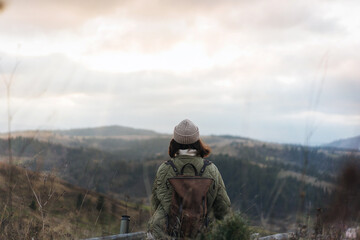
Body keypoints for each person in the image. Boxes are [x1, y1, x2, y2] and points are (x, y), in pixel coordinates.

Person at [148, 119, 231, 239]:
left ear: (174, 142)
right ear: (198, 141)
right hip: (203, 235)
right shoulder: (211, 170)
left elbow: (155, 205)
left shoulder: (164, 169)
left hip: (166, 235)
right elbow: (223, 210)